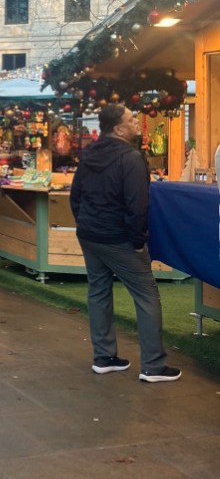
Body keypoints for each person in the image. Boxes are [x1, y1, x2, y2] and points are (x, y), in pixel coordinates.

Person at [70, 103, 181, 383]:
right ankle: (153, 366)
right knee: (146, 295)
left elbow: (76, 195)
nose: (136, 122)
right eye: (131, 119)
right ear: (118, 129)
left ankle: (104, 357)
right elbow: (137, 204)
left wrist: (84, 222)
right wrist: (137, 241)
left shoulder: (89, 153)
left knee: (98, 291)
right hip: (118, 237)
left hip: (90, 234)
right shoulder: (131, 158)